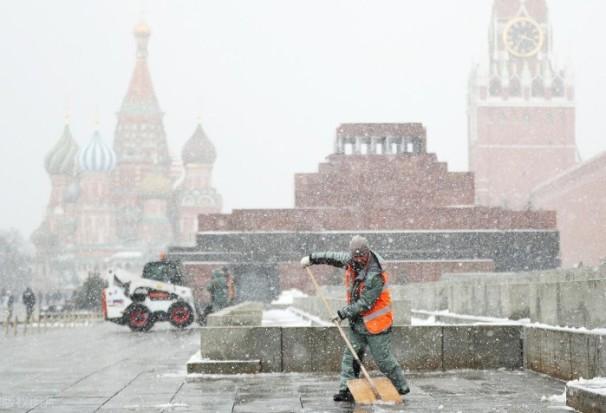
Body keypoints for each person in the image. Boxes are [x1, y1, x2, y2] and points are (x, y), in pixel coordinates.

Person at [300, 235, 410, 402]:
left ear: (367, 253)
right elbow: (333, 257)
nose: (358, 259)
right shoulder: (351, 260)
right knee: (350, 357)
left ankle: (401, 386)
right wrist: (312, 258)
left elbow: (365, 303)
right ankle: (346, 390)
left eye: (361, 256)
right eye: (355, 256)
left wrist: (343, 313)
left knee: (383, 360)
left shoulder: (376, 274)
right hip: (358, 323)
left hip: (377, 324)